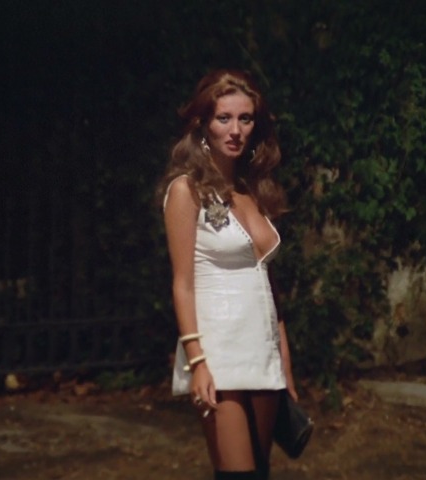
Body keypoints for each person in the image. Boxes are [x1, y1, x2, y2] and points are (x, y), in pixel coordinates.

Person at [156, 69, 298, 480]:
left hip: (263, 351)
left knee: (260, 472)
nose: (235, 130)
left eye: (245, 119)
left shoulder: (254, 191)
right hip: (218, 352)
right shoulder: (185, 191)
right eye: (224, 118)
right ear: (203, 123)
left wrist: (285, 366)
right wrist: (197, 362)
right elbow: (182, 284)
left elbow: (268, 285)